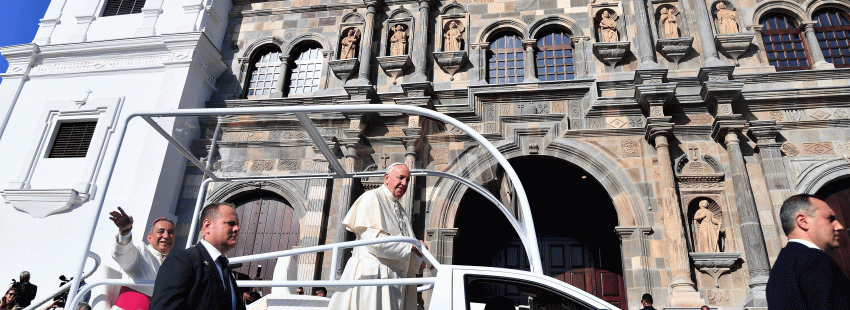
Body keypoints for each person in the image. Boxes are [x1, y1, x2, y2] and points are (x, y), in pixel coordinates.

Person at [328, 163, 426, 310]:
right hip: (375, 277)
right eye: (401, 178)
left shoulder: (401, 210)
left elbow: (406, 248)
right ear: (387, 178)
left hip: (395, 280)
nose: (404, 183)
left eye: (407, 180)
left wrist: (420, 257)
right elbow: (374, 243)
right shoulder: (371, 198)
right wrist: (411, 246)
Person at [150, 203, 245, 310]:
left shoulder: (225, 270)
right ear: (207, 226)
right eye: (231, 224)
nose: (237, 229)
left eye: (237, 224)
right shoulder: (182, 260)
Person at [766, 194, 850, 309]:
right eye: (830, 219)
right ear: (803, 221)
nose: (839, 226)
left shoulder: (778, 270)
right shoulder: (815, 260)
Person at [108, 206, 175, 310]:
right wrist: (125, 232)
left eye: (170, 233)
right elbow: (122, 253)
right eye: (161, 231)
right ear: (149, 237)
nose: (166, 236)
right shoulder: (141, 251)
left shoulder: (174, 265)